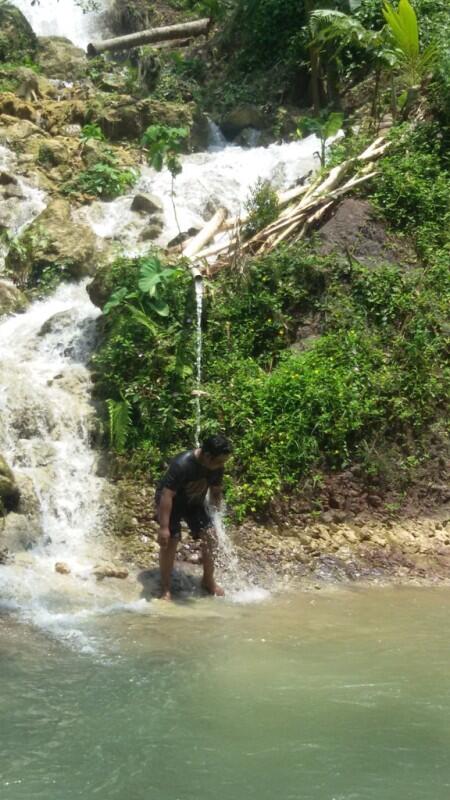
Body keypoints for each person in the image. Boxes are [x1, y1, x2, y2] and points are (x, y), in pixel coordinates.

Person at [155, 434, 232, 600]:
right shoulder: (182, 464)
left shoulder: (217, 466)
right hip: (171, 503)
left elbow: (216, 491)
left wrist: (215, 517)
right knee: (171, 540)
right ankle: (165, 588)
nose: (221, 466)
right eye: (218, 462)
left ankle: (208, 580)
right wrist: (163, 527)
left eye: (223, 463)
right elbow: (166, 495)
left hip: (194, 503)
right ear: (207, 455)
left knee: (211, 535)